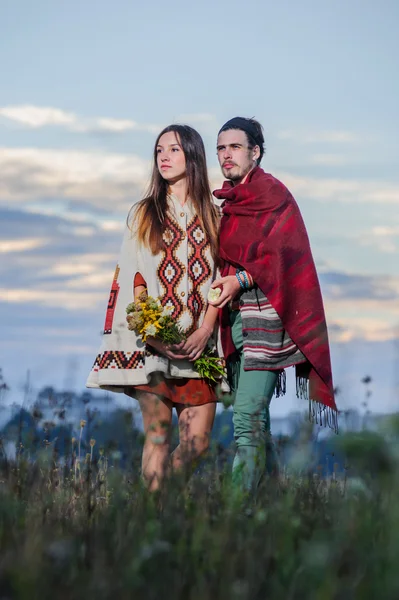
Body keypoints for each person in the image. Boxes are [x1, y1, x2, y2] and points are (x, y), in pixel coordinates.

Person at [87, 124, 227, 490]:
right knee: (159, 438)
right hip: (151, 347)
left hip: (200, 348)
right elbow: (132, 280)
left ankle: (157, 506)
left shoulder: (216, 216)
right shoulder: (143, 214)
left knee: (197, 444)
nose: (163, 156)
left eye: (174, 150)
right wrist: (154, 337)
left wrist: (206, 329)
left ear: (193, 156)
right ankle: (153, 518)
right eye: (159, 150)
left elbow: (221, 280)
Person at [208, 116, 338, 492]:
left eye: (234, 146)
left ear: (255, 151)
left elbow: (280, 254)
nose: (226, 154)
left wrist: (241, 279)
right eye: (220, 147)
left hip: (268, 322)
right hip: (232, 323)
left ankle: (237, 512)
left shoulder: (273, 196)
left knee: (246, 419)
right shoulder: (228, 203)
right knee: (257, 422)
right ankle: (278, 505)